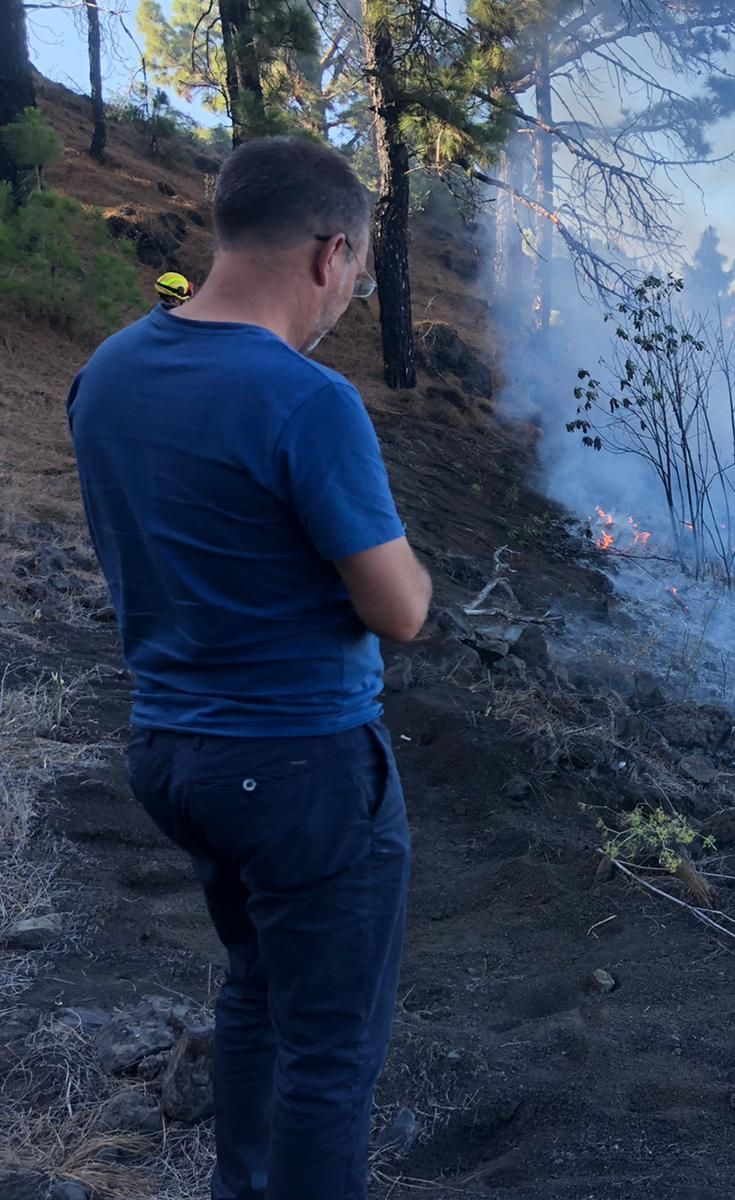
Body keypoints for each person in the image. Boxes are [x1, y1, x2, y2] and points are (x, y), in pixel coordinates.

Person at [68, 137, 431, 1200]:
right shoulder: (306, 402)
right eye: (358, 271)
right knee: (330, 1051)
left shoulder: (111, 371)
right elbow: (400, 608)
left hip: (174, 753)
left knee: (257, 995)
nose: (350, 295)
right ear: (329, 252)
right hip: (299, 766)